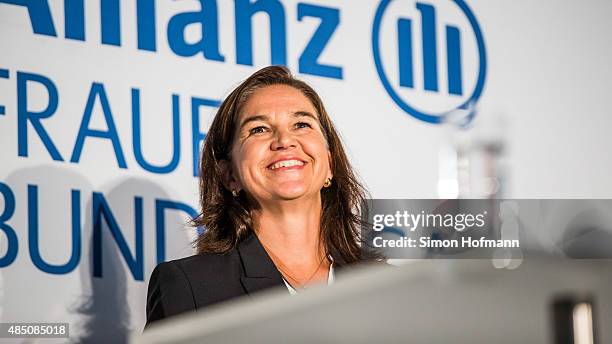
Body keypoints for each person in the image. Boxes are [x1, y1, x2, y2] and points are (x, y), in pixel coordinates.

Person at [145, 65, 380, 327]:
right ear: (229, 174)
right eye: (259, 129)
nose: (284, 140)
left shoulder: (385, 286)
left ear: (330, 164)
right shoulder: (190, 287)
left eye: (301, 124)